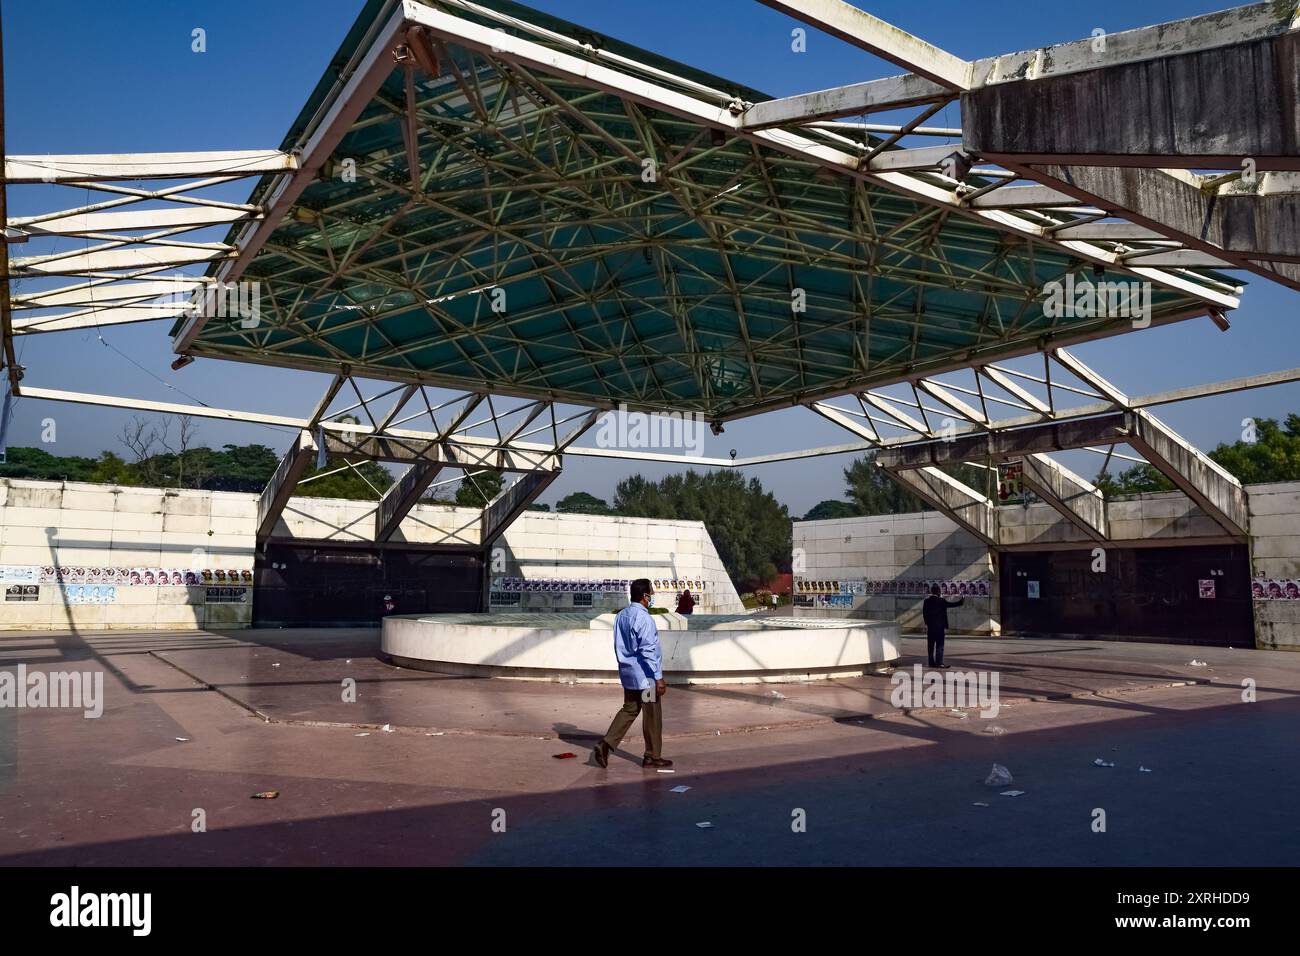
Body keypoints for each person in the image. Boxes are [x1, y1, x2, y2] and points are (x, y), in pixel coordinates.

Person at [592, 579, 672, 769]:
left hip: (629, 674)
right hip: (646, 678)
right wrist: (658, 677)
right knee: (652, 716)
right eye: (651, 594)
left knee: (629, 709)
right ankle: (652, 756)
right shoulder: (644, 618)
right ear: (645, 596)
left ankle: (605, 744)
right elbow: (647, 650)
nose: (652, 597)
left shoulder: (622, 616)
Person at [922, 584, 963, 669]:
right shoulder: (941, 601)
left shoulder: (926, 601)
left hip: (930, 627)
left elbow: (924, 613)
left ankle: (931, 662)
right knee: (940, 646)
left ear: (931, 591)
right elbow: (952, 604)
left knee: (930, 645)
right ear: (938, 591)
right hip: (940, 627)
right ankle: (939, 663)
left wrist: (927, 623)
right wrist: (961, 601)